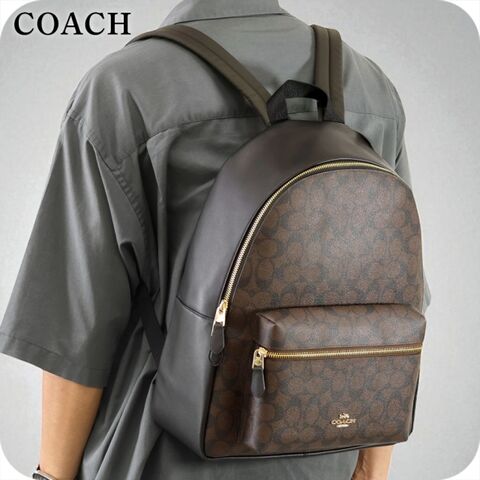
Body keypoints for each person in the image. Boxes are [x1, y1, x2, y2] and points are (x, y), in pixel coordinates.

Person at [0, 0, 431, 479]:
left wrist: (51, 475)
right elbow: (400, 302)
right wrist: (369, 471)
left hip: (162, 453)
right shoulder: (371, 87)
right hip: (329, 452)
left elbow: (76, 322)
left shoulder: (125, 87)